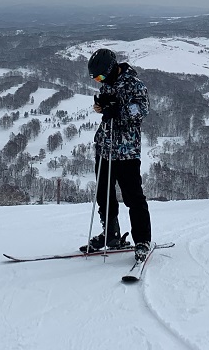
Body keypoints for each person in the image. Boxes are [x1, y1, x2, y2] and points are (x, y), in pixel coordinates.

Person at [85, 48, 153, 261]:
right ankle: (111, 234)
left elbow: (143, 109)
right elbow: (106, 109)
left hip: (126, 151)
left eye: (100, 76)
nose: (99, 80)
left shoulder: (135, 84)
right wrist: (101, 106)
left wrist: (119, 110)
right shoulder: (108, 83)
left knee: (133, 197)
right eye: (95, 78)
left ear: (111, 69)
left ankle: (142, 240)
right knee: (103, 195)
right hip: (105, 147)